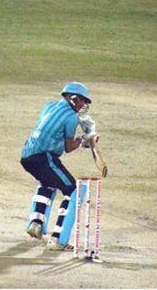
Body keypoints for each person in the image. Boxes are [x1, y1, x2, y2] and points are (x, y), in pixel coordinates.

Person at [20, 82, 98, 250]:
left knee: (47, 184)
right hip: (44, 157)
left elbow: (52, 132)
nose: (83, 105)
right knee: (73, 190)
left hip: (27, 156)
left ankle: (36, 225)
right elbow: (68, 147)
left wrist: (80, 132)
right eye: (82, 101)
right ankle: (58, 239)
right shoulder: (71, 117)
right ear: (72, 97)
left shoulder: (50, 106)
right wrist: (84, 138)